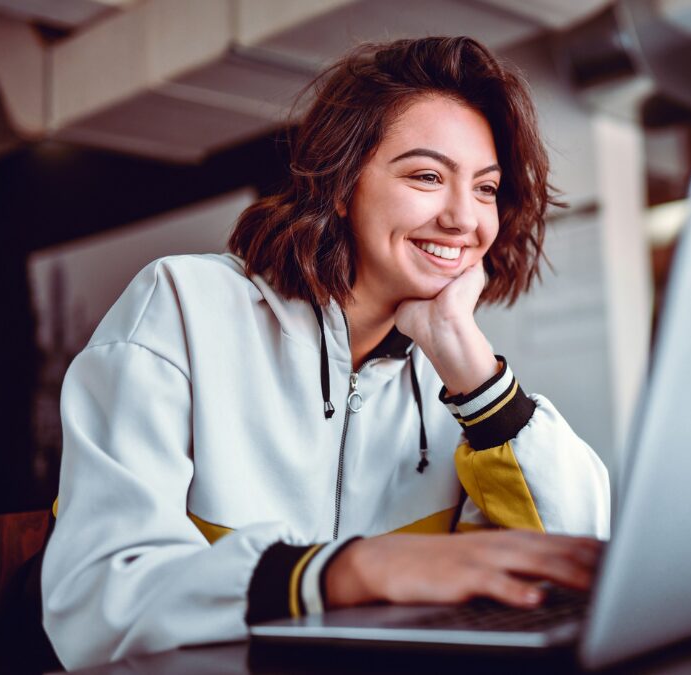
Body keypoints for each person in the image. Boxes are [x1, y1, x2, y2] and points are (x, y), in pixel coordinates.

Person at [41, 36, 611, 669]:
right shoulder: (181, 304)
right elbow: (96, 600)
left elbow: (575, 564)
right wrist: (348, 570)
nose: (463, 218)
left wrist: (468, 363)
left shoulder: (456, 376)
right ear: (342, 185)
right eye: (427, 176)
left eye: (485, 189)